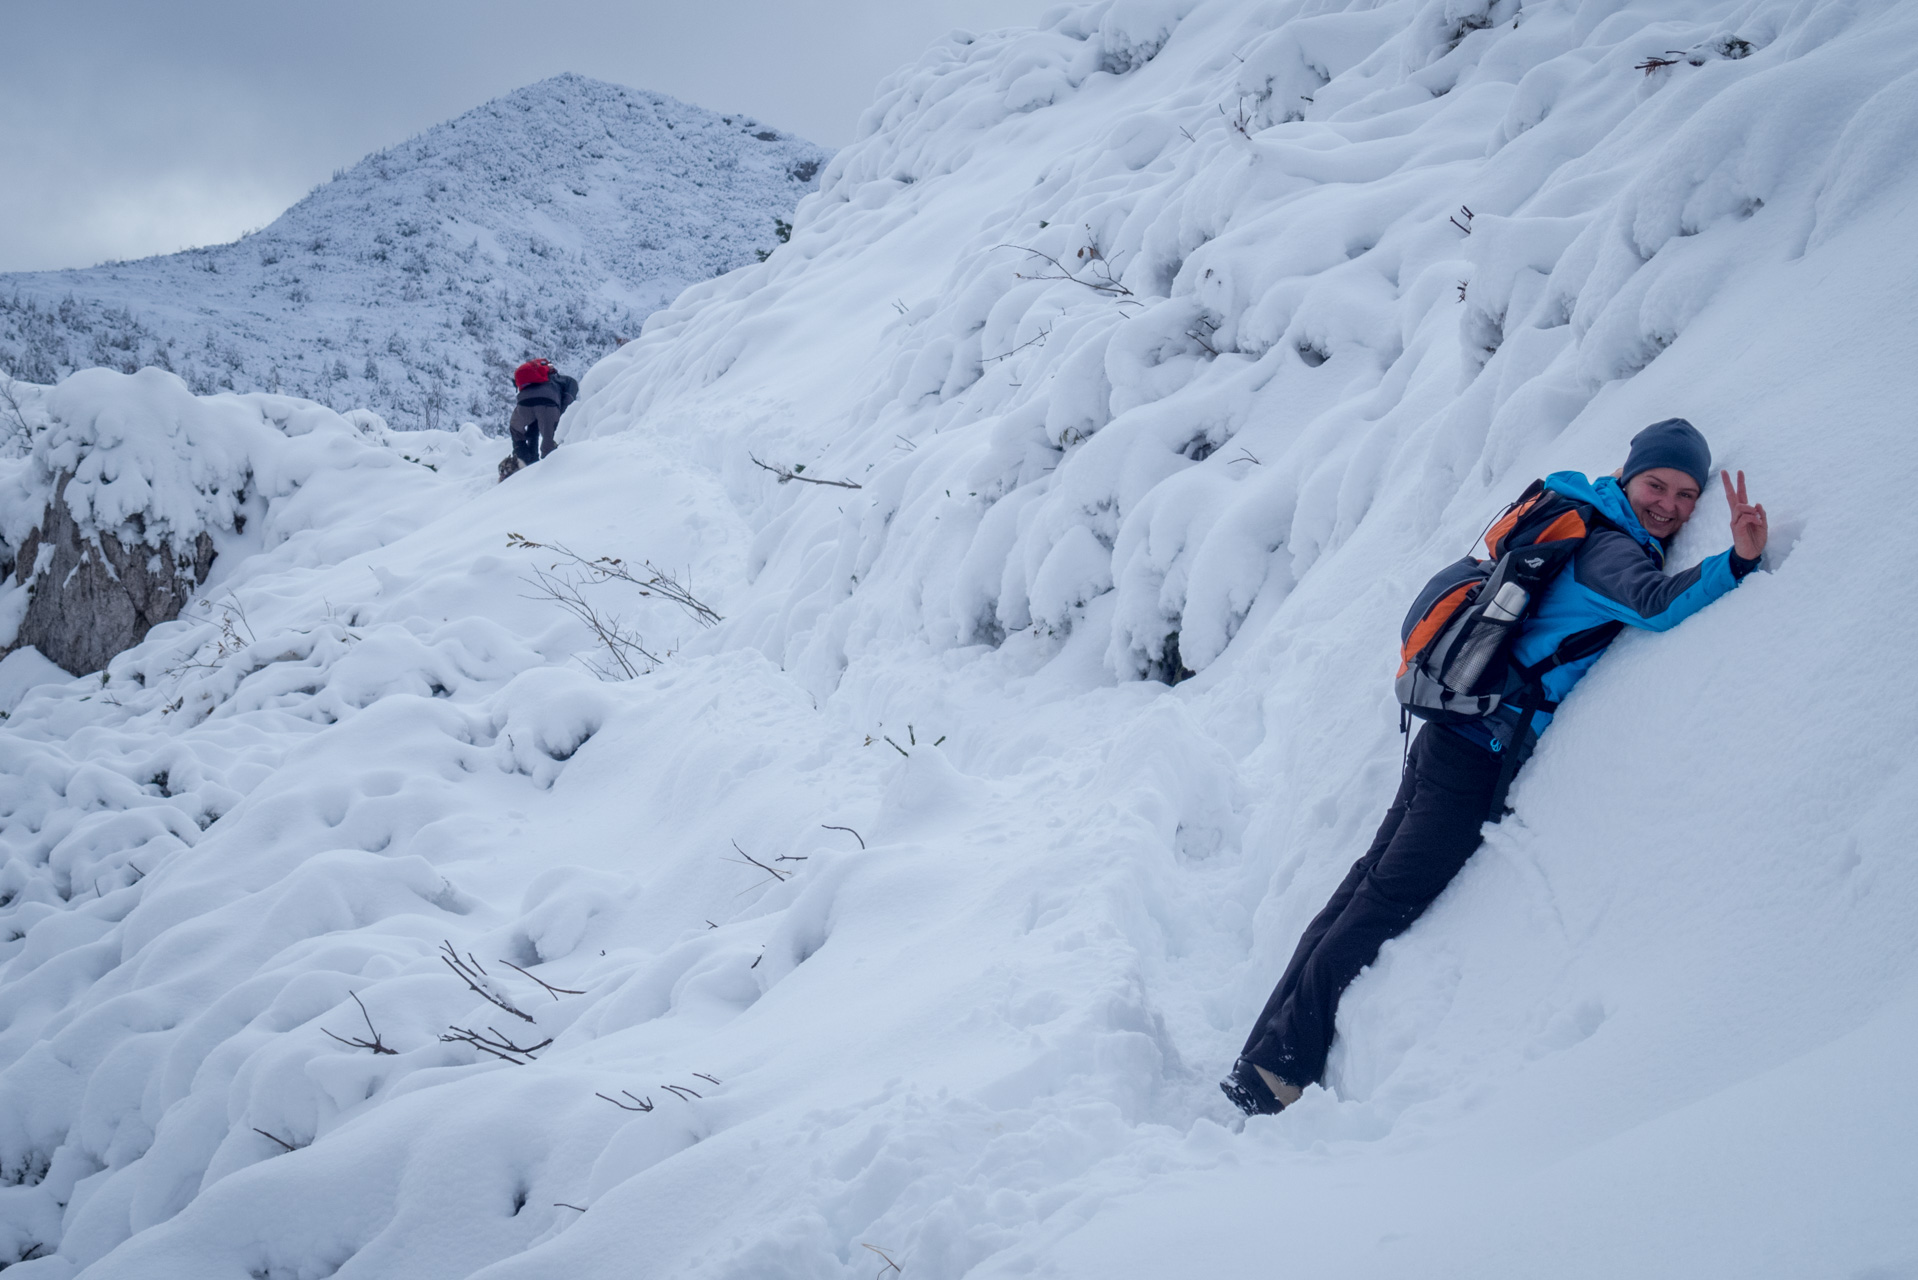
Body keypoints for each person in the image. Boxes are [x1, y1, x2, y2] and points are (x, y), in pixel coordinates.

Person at [1221, 418, 1769, 1116]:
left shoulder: (1579, 516)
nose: (1670, 504)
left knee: (1360, 890)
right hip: (1478, 752)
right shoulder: (1609, 549)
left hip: (1452, 731)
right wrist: (1739, 561)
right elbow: (1659, 606)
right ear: (1629, 478)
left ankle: (1261, 1056)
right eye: (1658, 484)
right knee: (1382, 903)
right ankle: (1276, 1073)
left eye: (1687, 495)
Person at [508, 358, 578, 469]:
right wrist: (562, 412)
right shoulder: (561, 379)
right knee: (550, 445)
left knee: (516, 430)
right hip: (547, 406)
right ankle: (548, 474)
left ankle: (524, 463)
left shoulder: (531, 381)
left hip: (523, 404)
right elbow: (571, 389)